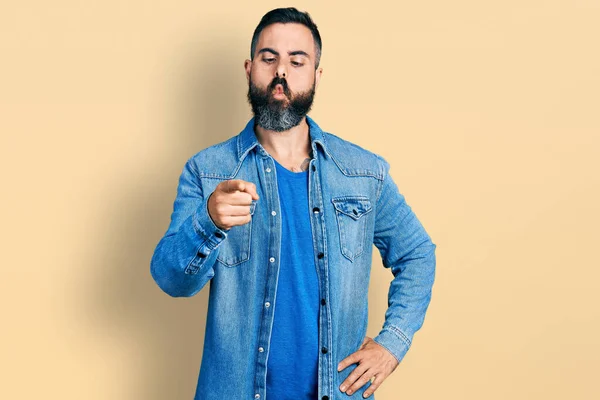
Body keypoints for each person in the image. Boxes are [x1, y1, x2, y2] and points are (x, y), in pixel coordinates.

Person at [150, 7, 437, 400]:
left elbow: (418, 253)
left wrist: (393, 343)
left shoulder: (363, 172)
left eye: (296, 61)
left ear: (317, 74)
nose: (281, 72)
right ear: (250, 69)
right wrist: (208, 223)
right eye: (269, 59)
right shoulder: (208, 171)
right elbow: (170, 280)